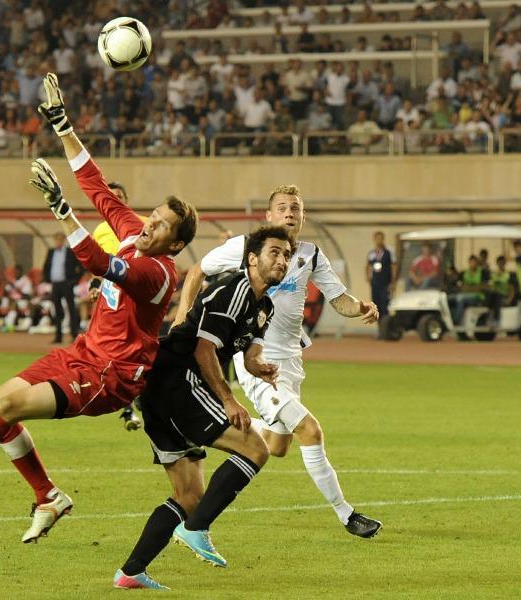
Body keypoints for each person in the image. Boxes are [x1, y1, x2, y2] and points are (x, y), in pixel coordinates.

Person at [0, 72, 198, 545]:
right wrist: (62, 125)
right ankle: (48, 496)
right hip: (83, 352)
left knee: (7, 408)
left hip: (111, 375)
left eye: (162, 226)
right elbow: (94, 182)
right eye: (153, 216)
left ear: (175, 243)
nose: (149, 225)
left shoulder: (159, 273)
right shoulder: (136, 232)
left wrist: (61, 211)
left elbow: (96, 261)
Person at [174, 185, 382, 540]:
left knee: (277, 445)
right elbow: (197, 271)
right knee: (310, 430)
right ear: (268, 216)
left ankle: (209, 421)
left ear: (302, 217)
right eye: (282, 208)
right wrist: (182, 318)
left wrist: (362, 307)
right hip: (256, 360)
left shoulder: (311, 255)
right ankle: (347, 515)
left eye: (295, 208)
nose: (289, 213)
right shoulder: (245, 247)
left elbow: (339, 299)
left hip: (291, 361)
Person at [114, 226, 293, 590]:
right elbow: (203, 350)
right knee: (255, 448)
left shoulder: (265, 306)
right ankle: (195, 529)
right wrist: (228, 399)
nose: (282, 260)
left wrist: (260, 366)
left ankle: (131, 573)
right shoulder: (236, 289)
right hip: (177, 379)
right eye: (274, 252)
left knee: (190, 496)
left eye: (287, 255)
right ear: (252, 258)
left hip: (164, 387)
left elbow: (250, 353)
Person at [91, 181, 148, 431]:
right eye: (109, 197)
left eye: (118, 197)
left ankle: (143, 397)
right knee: (112, 353)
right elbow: (97, 264)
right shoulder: (100, 231)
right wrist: (95, 285)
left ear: (126, 201)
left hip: (139, 299)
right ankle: (128, 408)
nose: (114, 201)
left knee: (141, 352)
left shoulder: (144, 224)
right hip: (112, 301)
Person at [43, 232, 83, 343]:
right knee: (57, 310)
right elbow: (46, 267)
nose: (58, 242)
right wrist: (47, 279)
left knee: (71, 308)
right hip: (55, 284)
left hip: (67, 284)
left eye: (60, 239)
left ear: (64, 240)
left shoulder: (70, 252)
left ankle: (74, 334)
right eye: (56, 240)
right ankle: (58, 336)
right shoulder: (51, 252)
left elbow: (80, 267)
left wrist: (74, 281)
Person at [366, 231, 396, 339]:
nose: (379, 240)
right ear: (374, 240)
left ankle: (387, 331)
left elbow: (393, 267)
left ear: (383, 239)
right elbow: (368, 266)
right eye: (377, 238)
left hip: (385, 284)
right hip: (375, 284)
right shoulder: (372, 253)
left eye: (381, 238)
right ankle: (380, 331)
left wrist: (393, 282)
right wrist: (368, 277)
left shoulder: (389, 252)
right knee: (376, 308)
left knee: (385, 307)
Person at [451, 255, 489, 325]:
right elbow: (458, 284)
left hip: (478, 297)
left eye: (474, 262)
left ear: (477, 263)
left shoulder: (482, 273)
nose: (473, 264)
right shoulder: (464, 273)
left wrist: (468, 287)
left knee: (461, 299)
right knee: (450, 298)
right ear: (469, 262)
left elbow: (483, 286)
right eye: (471, 262)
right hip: (465, 295)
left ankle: (455, 321)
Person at [488, 255, 518, 325]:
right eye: (499, 263)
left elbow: (511, 288)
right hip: (494, 295)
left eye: (502, 263)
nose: (501, 264)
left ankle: (497, 320)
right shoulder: (494, 274)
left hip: (504, 295)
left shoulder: (508, 274)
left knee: (497, 297)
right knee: (490, 296)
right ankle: (488, 317)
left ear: (505, 263)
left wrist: (509, 299)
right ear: (497, 263)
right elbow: (490, 286)